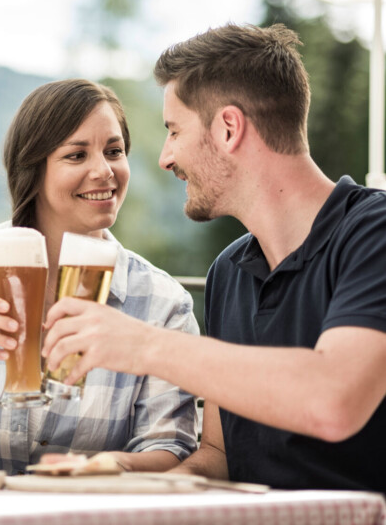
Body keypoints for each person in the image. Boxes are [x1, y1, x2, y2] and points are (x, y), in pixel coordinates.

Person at [41, 24, 386, 494]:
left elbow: (334, 401)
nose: (165, 157)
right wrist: (120, 476)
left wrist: (142, 345)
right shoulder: (229, 271)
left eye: (174, 130)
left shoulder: (374, 233)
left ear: (228, 128)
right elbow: (220, 458)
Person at [0, 79, 199, 475]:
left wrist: (112, 465)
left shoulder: (161, 302)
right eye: (76, 155)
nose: (104, 171)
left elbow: (170, 446)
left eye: (114, 151)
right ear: (33, 168)